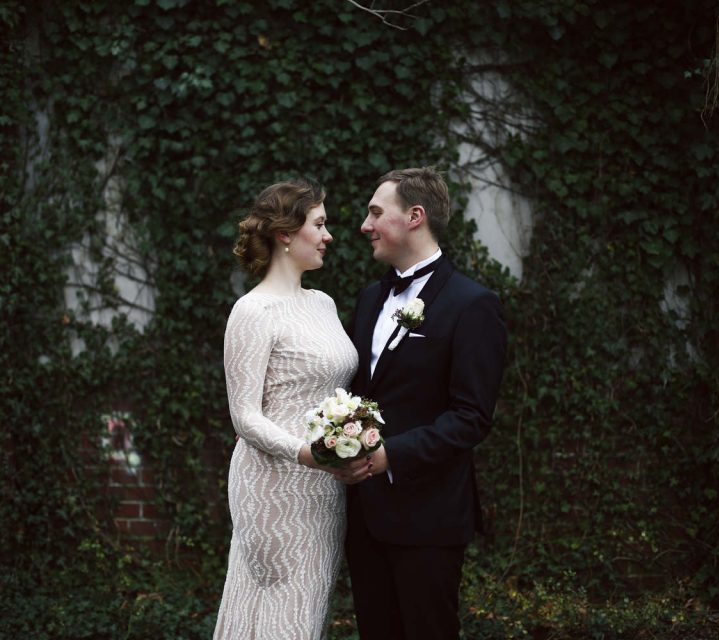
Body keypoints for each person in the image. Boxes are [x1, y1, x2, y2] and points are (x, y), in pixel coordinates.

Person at [341, 167, 508, 639]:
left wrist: (388, 455)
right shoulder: (370, 297)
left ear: (415, 216)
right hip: (365, 518)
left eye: (376, 212)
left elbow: (471, 417)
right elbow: (358, 393)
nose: (364, 225)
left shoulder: (473, 304)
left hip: (429, 518)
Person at [213, 179, 360, 639]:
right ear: (285, 234)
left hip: (324, 489)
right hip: (274, 485)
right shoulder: (252, 311)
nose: (328, 235)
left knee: (308, 610)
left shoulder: (323, 304)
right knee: (282, 614)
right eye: (319, 224)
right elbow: (245, 415)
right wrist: (305, 453)